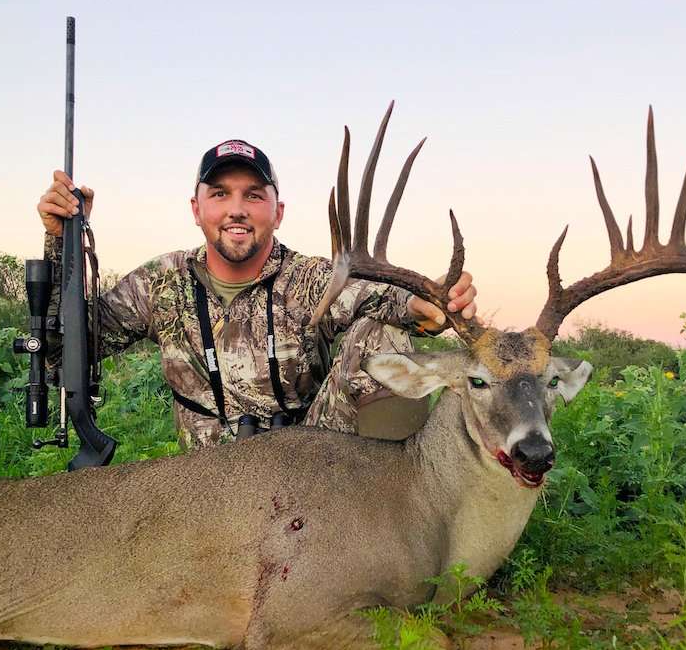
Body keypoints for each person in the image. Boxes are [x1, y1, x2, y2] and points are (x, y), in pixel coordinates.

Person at [36, 139, 478, 448]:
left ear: (277, 211)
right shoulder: (160, 282)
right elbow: (68, 346)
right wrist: (62, 243)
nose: (236, 209)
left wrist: (432, 308)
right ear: (197, 209)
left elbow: (390, 303)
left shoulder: (309, 279)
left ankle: (393, 525)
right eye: (220, 193)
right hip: (208, 488)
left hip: (310, 464)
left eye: (253, 195)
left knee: (382, 336)